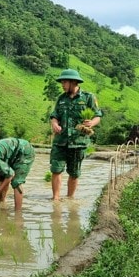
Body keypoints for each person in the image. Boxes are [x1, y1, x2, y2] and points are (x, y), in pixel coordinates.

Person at [49, 69, 102, 201]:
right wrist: (54, 124)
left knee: (74, 173)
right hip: (60, 141)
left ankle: (70, 198)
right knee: (56, 170)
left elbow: (98, 116)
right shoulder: (61, 99)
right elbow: (54, 116)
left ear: (74, 82)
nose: (62, 84)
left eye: (65, 82)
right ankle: (55, 199)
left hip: (78, 142)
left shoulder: (88, 97)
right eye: (62, 82)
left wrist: (91, 123)